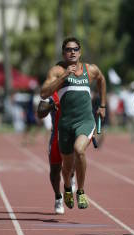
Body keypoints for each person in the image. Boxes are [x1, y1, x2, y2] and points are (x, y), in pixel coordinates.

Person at [40, 37, 106, 210]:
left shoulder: (90, 70)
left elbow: (101, 79)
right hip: (65, 125)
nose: (72, 52)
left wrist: (103, 105)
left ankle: (81, 191)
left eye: (76, 49)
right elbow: (44, 93)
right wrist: (63, 76)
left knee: (80, 150)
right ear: (63, 53)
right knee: (67, 168)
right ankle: (67, 187)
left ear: (80, 51)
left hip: (85, 121)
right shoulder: (57, 71)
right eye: (69, 49)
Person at [37, 91, 75, 214]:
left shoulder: (76, 89)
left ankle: (71, 179)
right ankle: (58, 197)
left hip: (72, 136)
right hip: (56, 137)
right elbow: (40, 112)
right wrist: (53, 105)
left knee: (75, 161)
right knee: (55, 171)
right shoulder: (52, 94)